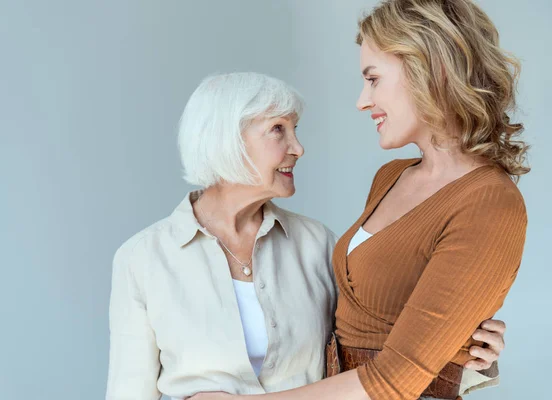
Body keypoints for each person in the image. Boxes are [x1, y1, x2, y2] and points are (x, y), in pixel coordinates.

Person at [189, 0, 529, 400]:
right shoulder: (391, 176)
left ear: (430, 69)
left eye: (373, 79)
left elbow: (395, 381)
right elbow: (363, 314)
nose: (362, 101)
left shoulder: (490, 202)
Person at [106, 71, 507, 400]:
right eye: (278, 130)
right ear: (224, 138)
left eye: (295, 129)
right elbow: (128, 392)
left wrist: (464, 349)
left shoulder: (317, 245)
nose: (299, 147)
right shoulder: (142, 259)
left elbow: (374, 351)